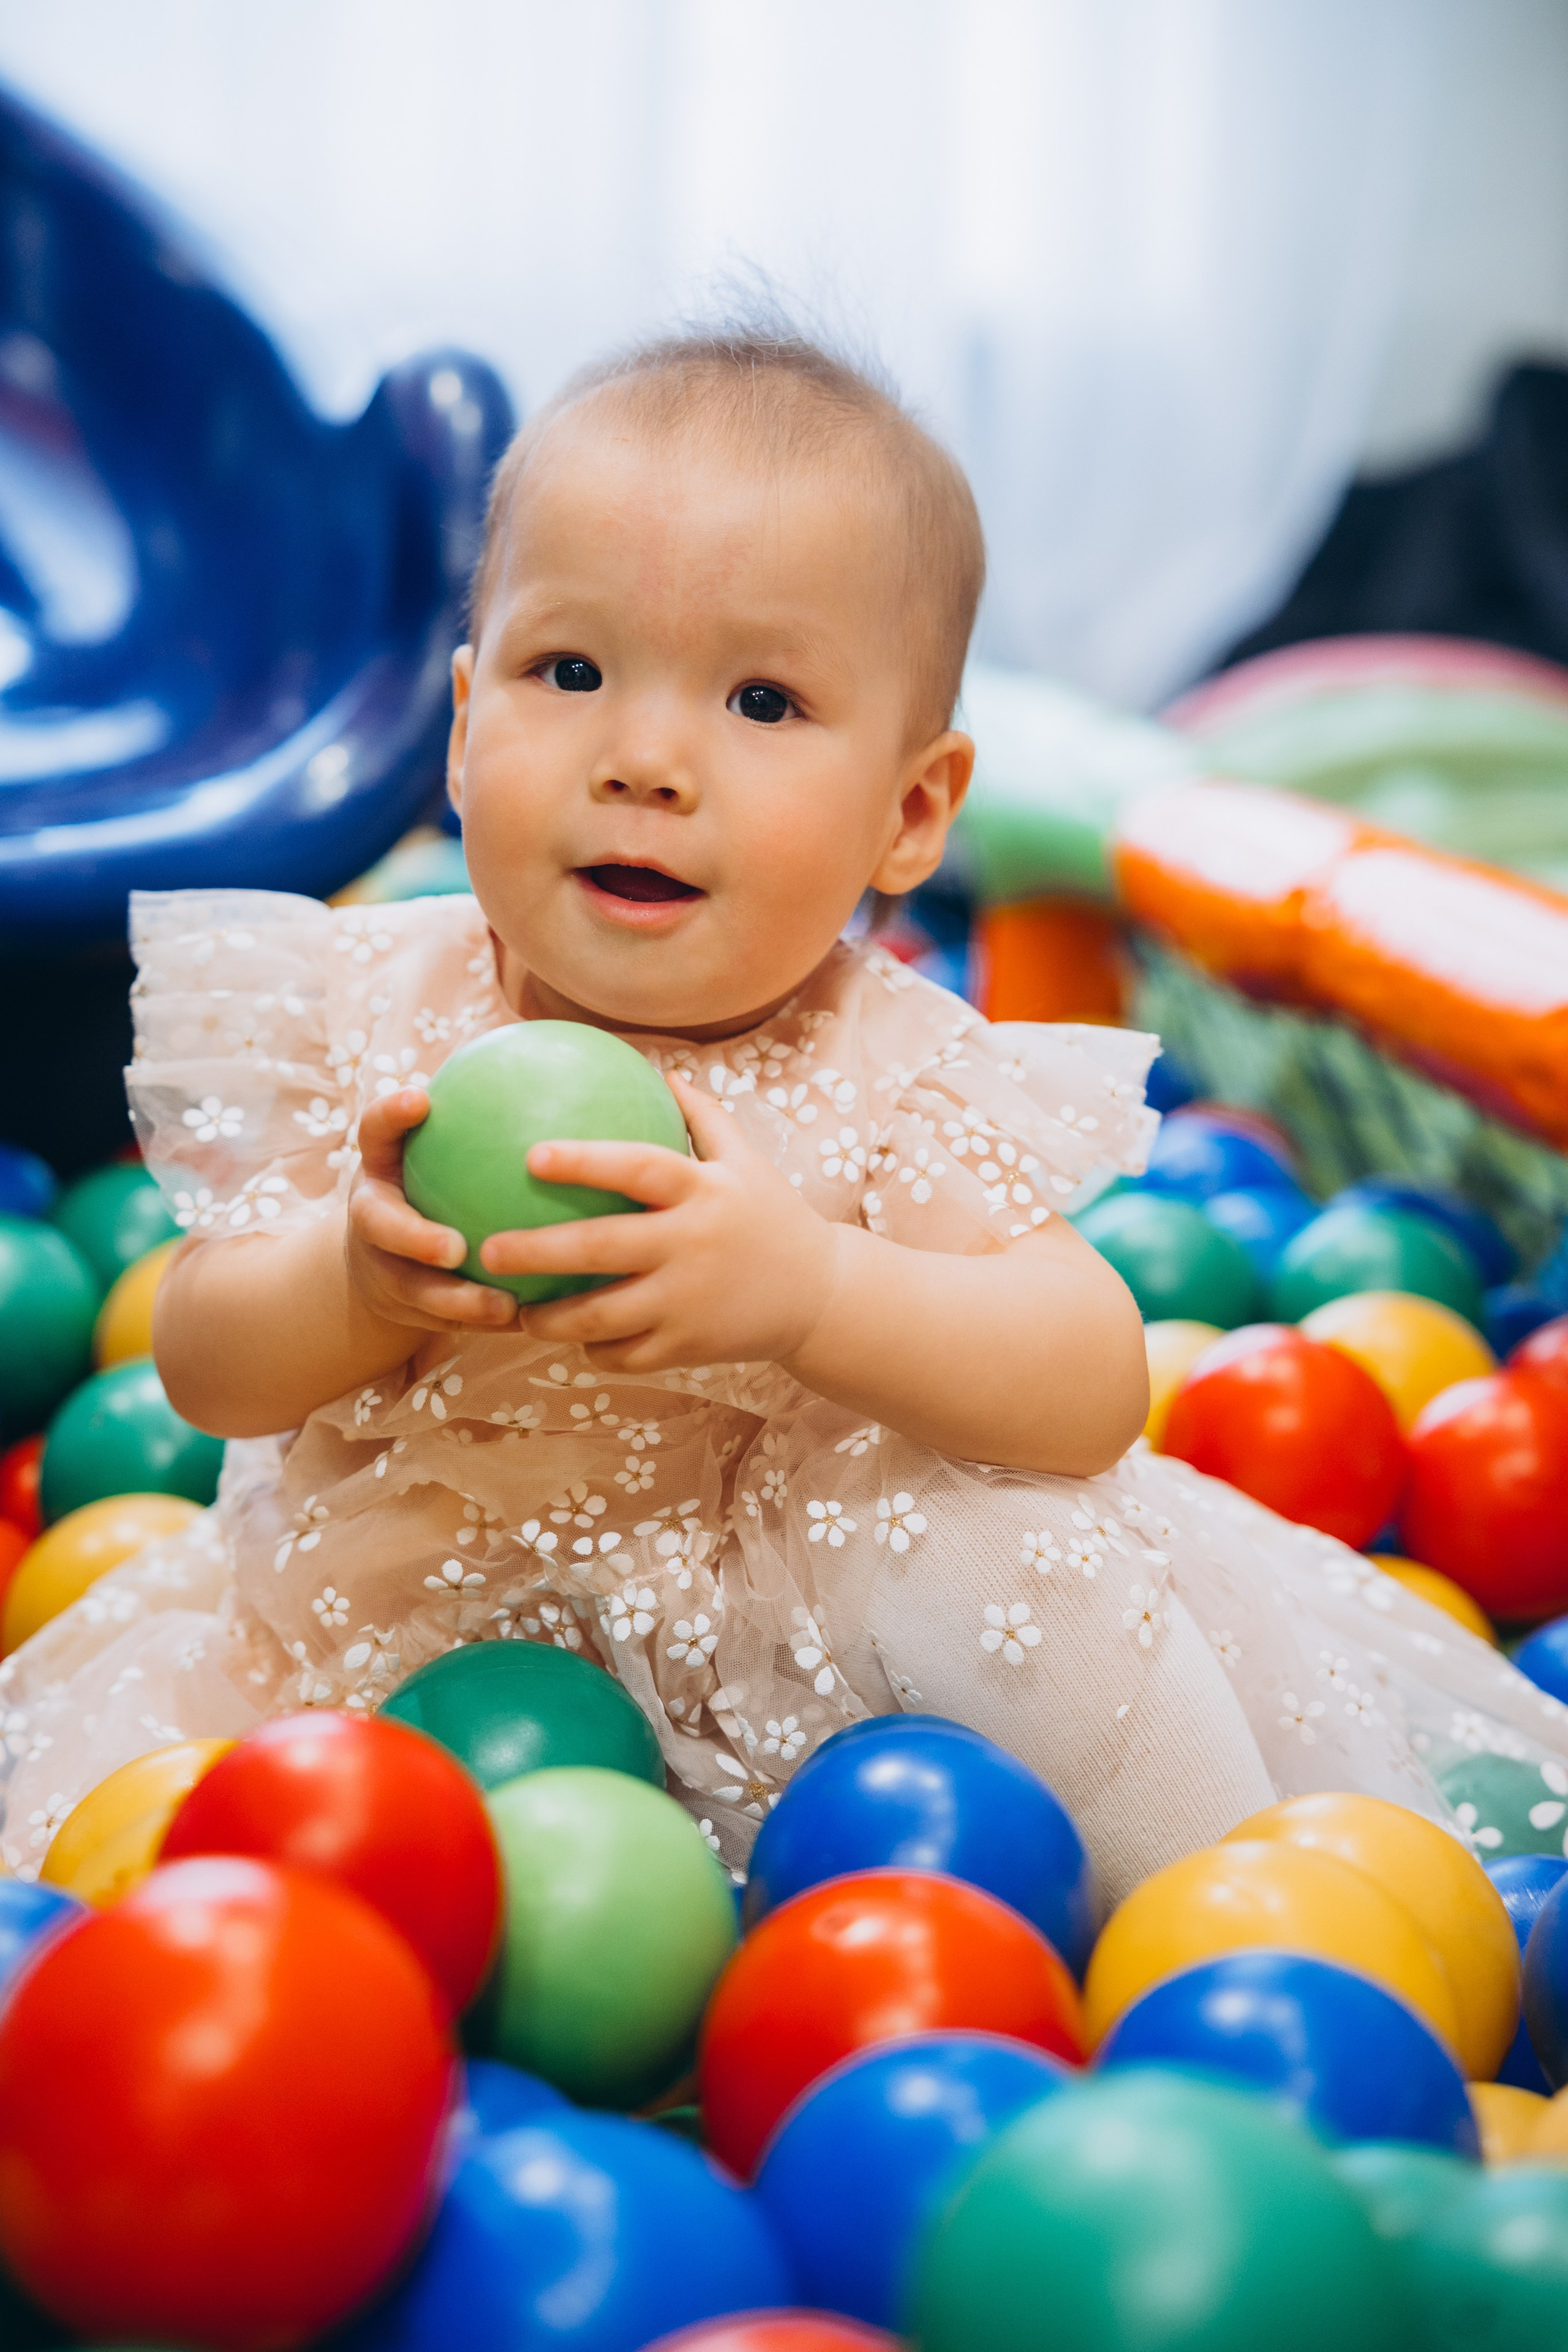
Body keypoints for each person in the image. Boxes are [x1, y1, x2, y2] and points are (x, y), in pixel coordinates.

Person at [2, 328, 1560, 1899]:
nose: (646, 759)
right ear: (463, 730)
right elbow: (204, 1363)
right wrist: (349, 1281)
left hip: (822, 1641)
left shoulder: (893, 1061)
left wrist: (812, 1293)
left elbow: (1088, 1382)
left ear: (909, 815)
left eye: (758, 699)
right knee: (183, 1861)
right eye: (571, 672)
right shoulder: (355, 1006)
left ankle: (1201, 1915)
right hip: (400, 1650)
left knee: (1028, 1559)